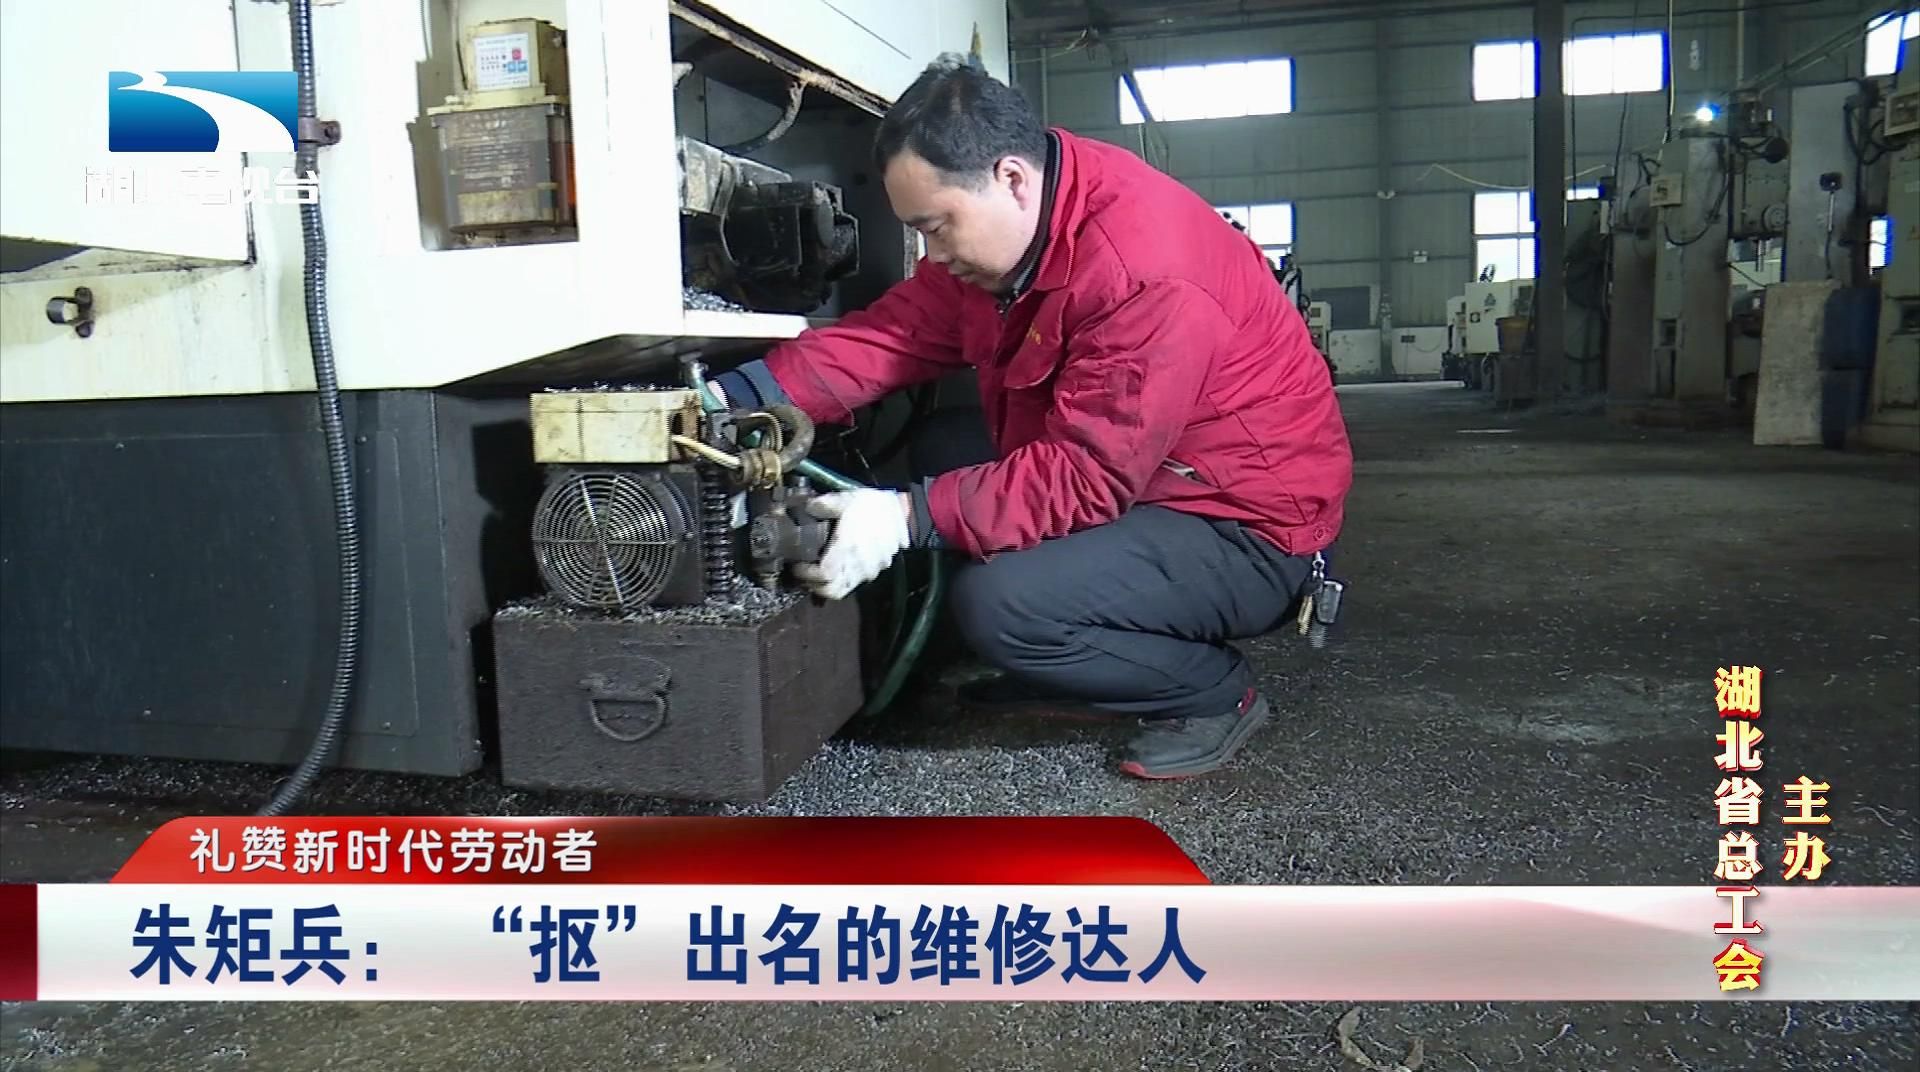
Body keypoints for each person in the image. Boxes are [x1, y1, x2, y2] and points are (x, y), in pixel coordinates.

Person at [709, 55, 1352, 779]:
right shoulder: (1026, 229)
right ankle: (1070, 658)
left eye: (938, 227)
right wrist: (735, 396)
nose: (933, 253)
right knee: (943, 446)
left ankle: (1209, 692)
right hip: (1158, 474)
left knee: (1000, 606)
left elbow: (1087, 474)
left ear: (1012, 178)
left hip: (1243, 526)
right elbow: (895, 336)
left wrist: (904, 519)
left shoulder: (1143, 272)